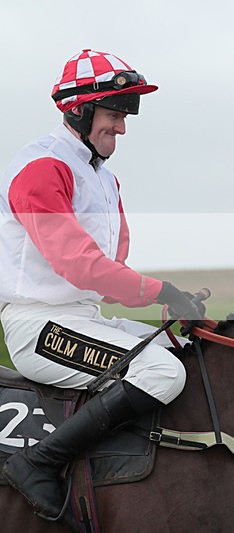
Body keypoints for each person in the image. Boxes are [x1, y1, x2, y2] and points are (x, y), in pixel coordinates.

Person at [0, 49, 202, 522]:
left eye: (126, 115)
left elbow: (111, 274)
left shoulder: (105, 180)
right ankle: (38, 462)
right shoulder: (41, 168)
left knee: (180, 357)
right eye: (114, 115)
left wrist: (175, 304)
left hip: (81, 318)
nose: (123, 128)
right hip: (38, 328)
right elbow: (78, 262)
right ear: (80, 110)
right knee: (162, 376)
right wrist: (160, 291)